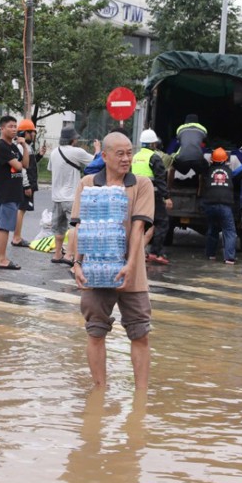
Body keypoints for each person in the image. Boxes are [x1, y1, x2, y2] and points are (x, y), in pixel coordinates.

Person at [69, 131, 154, 389]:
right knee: (95, 332)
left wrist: (130, 264)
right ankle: (99, 390)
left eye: (129, 152)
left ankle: (141, 395)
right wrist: (76, 264)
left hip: (133, 274)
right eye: (120, 153)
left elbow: (140, 228)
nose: (126, 158)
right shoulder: (88, 184)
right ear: (104, 156)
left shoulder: (141, 184)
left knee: (140, 334)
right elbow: (78, 227)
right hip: (95, 273)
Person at [47, 128, 98, 265]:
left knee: (58, 227)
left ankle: (57, 254)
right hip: (71, 197)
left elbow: (51, 169)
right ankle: (70, 255)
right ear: (73, 139)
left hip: (56, 197)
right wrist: (97, 149)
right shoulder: (77, 152)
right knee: (75, 226)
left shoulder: (54, 152)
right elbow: (95, 162)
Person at [0, 115, 29, 270]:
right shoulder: (1, 147)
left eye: (15, 126)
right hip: (5, 191)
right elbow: (18, 166)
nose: (14, 129)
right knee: (4, 227)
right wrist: (20, 161)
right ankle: (1, 258)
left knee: (3, 225)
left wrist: (25, 147)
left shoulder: (13, 147)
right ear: (2, 128)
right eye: (11, 126)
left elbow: (25, 164)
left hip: (13, 191)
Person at [132, 129, 172, 265]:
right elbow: (160, 180)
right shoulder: (154, 158)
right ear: (153, 144)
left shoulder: (135, 157)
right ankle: (155, 252)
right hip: (152, 194)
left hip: (136, 194)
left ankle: (137, 251)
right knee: (162, 222)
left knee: (140, 223)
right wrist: (166, 197)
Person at [12, 119, 45, 248]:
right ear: (26, 133)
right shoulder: (21, 146)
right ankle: (16, 237)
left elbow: (30, 163)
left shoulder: (26, 146)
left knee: (22, 209)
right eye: (32, 132)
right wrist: (26, 185)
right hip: (25, 184)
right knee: (21, 209)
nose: (34, 135)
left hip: (27, 183)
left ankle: (17, 236)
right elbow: (23, 167)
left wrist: (39, 155)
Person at [201, 147, 237, 265]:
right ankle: (229, 258)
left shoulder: (208, 171)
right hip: (225, 205)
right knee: (229, 231)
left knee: (212, 228)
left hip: (210, 204)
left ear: (212, 160)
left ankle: (211, 254)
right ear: (225, 160)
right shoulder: (230, 171)